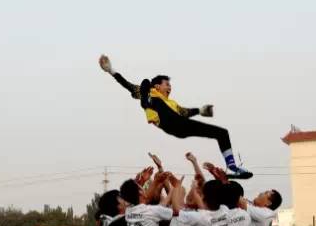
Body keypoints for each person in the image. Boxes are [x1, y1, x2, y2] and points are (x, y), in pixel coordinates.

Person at [99, 55, 251, 179]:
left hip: (181, 127)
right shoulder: (151, 92)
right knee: (146, 85)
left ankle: (232, 167)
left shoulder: (172, 103)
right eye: (167, 84)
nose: (169, 87)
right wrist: (111, 70)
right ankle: (146, 103)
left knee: (222, 133)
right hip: (166, 121)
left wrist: (200, 110)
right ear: (157, 86)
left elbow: (184, 112)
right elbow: (127, 85)